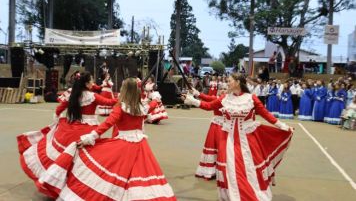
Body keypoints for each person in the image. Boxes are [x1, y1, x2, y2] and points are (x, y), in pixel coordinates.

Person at [37, 78, 176, 200]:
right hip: (141, 145)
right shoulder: (142, 107)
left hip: (123, 144)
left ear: (124, 90)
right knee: (138, 174)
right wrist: (156, 98)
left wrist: (91, 136)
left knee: (116, 174)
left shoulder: (121, 107)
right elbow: (151, 106)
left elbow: (107, 124)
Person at [183, 73, 293, 201]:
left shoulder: (251, 98)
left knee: (247, 168)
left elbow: (266, 114)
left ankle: (249, 193)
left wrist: (282, 126)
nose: (227, 83)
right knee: (229, 168)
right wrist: (192, 100)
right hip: (228, 139)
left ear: (237, 82)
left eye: (229, 81)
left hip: (247, 141)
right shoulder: (225, 98)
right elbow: (209, 106)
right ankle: (233, 194)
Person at [17, 71, 118, 196]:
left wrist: (56, 120)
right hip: (88, 130)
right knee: (85, 160)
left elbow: (59, 108)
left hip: (71, 128)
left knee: (65, 158)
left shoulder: (73, 94)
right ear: (86, 84)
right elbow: (109, 102)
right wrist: (124, 99)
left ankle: (58, 182)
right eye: (91, 81)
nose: (93, 83)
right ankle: (76, 185)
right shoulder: (93, 96)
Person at [189, 86, 226, 180]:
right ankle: (213, 170)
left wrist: (193, 100)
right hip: (216, 126)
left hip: (224, 127)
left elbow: (208, 106)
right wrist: (197, 93)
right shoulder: (218, 98)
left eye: (225, 89)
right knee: (214, 147)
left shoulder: (226, 100)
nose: (222, 90)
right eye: (222, 88)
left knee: (222, 148)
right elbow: (207, 98)